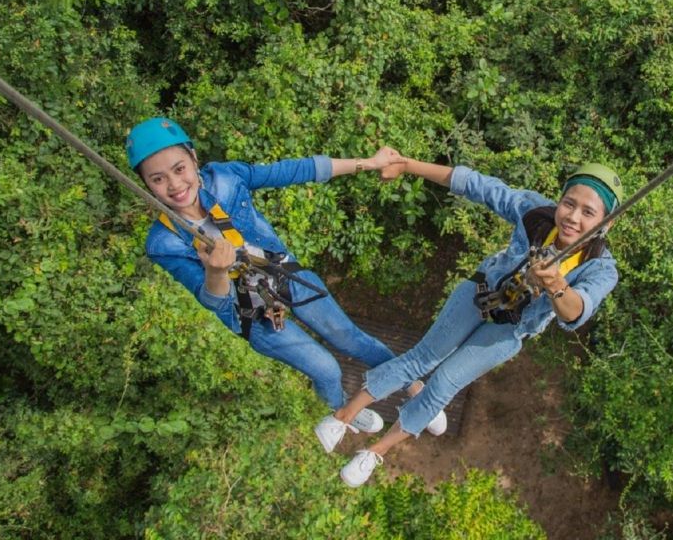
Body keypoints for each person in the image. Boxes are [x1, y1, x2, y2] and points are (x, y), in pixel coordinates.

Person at [314, 154, 623, 486]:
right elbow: (479, 186)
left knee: (444, 383)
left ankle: (375, 452)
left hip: (510, 328)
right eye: (569, 204)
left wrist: (556, 284)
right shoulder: (537, 214)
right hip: (481, 293)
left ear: (607, 223)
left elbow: (576, 312)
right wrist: (408, 166)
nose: (572, 218)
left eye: (588, 213)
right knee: (422, 358)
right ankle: (343, 417)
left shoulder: (600, 268)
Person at [125, 117, 445, 436]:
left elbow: (294, 170)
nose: (175, 186)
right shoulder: (164, 242)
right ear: (146, 185)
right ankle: (344, 411)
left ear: (194, 159)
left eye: (179, 169)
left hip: (282, 274)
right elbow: (212, 299)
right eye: (158, 179)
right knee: (325, 369)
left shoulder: (225, 178)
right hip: (250, 312)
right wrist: (215, 270)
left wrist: (370, 163)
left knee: (350, 337)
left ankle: (416, 389)